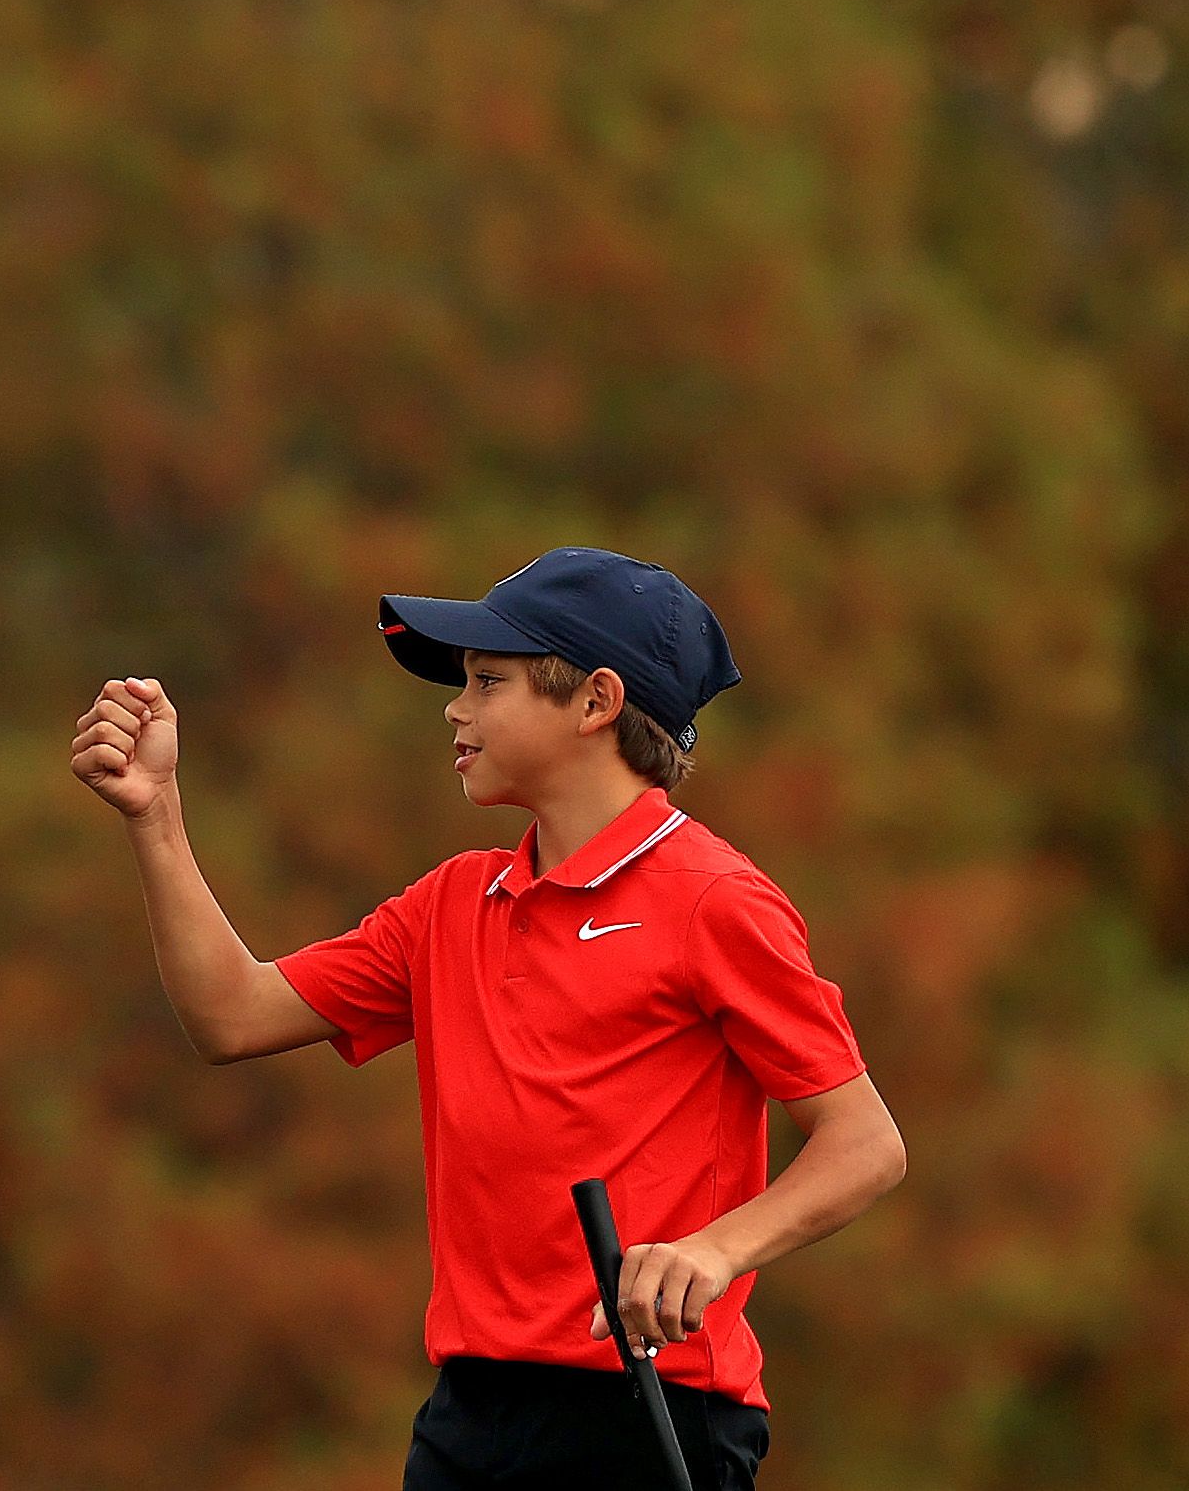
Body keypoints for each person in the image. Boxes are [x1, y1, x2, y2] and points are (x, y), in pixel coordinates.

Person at [69, 547, 904, 1488]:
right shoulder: (454, 901)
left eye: (488, 682)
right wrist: (155, 814)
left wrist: (715, 1250)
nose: (454, 708)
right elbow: (231, 1014)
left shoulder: (713, 899)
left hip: (651, 1413)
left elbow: (864, 1143)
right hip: (471, 1417)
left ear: (594, 701)